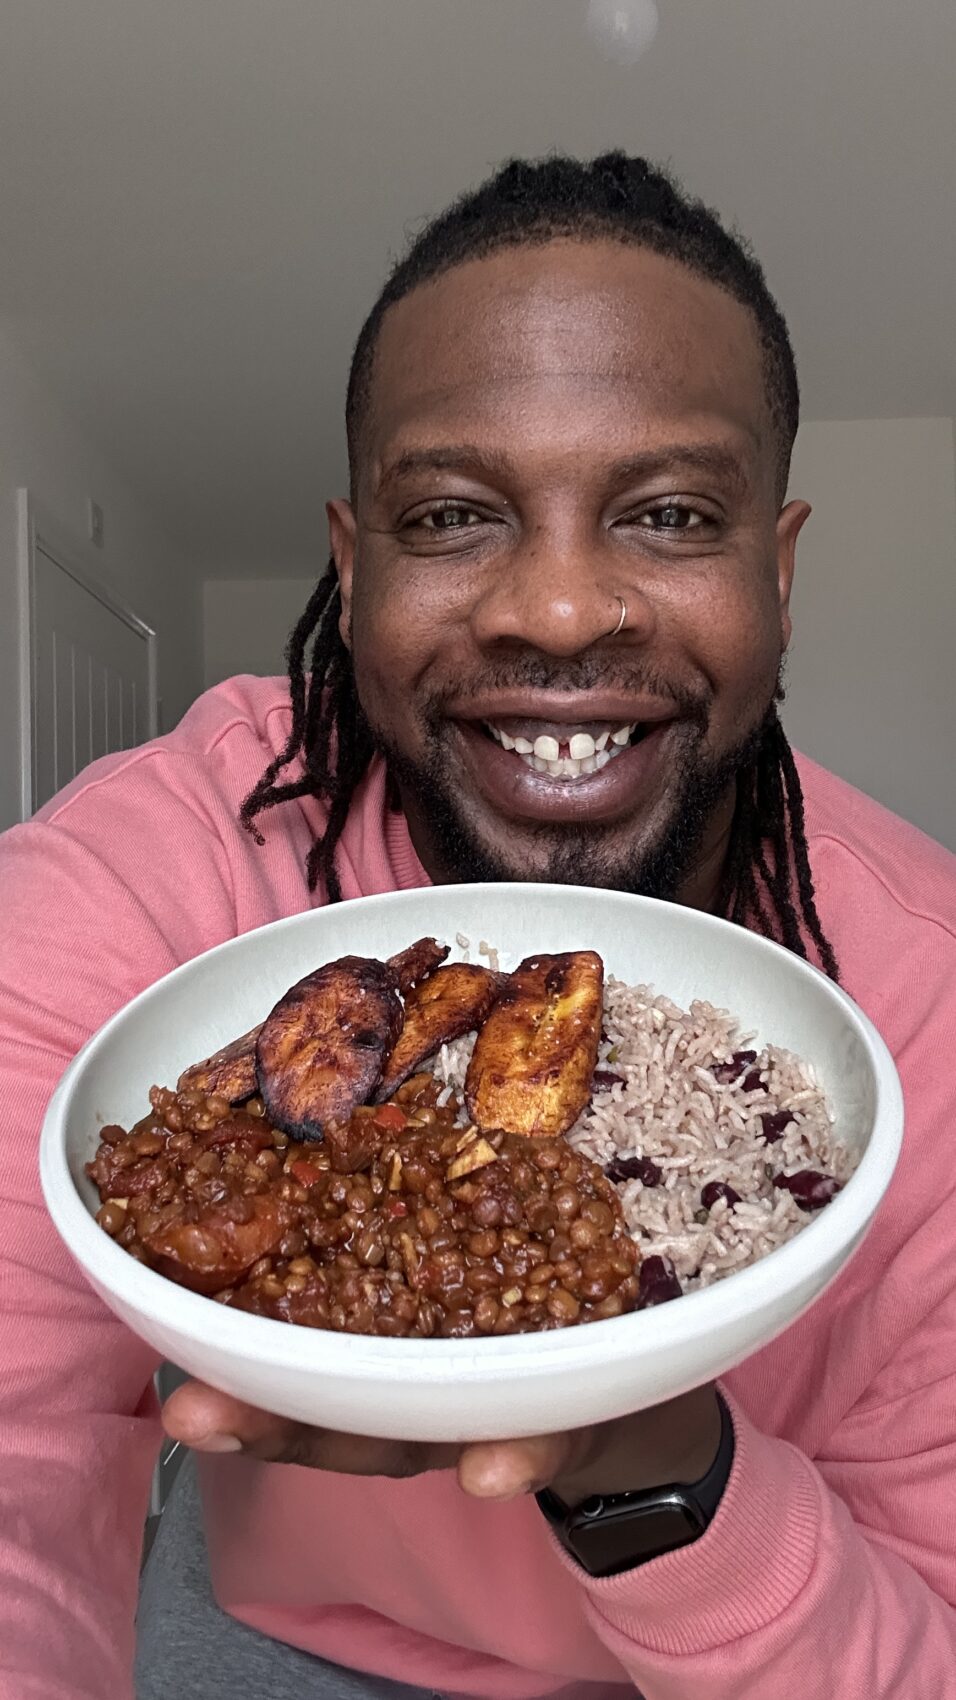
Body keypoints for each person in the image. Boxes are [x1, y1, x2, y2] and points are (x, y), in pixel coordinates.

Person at [1, 151, 954, 1700]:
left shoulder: (929, 994)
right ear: (352, 563)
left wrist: (663, 1474)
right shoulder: (169, 854)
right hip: (264, 1646)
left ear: (774, 574)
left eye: (666, 513)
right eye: (451, 514)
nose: (559, 610)